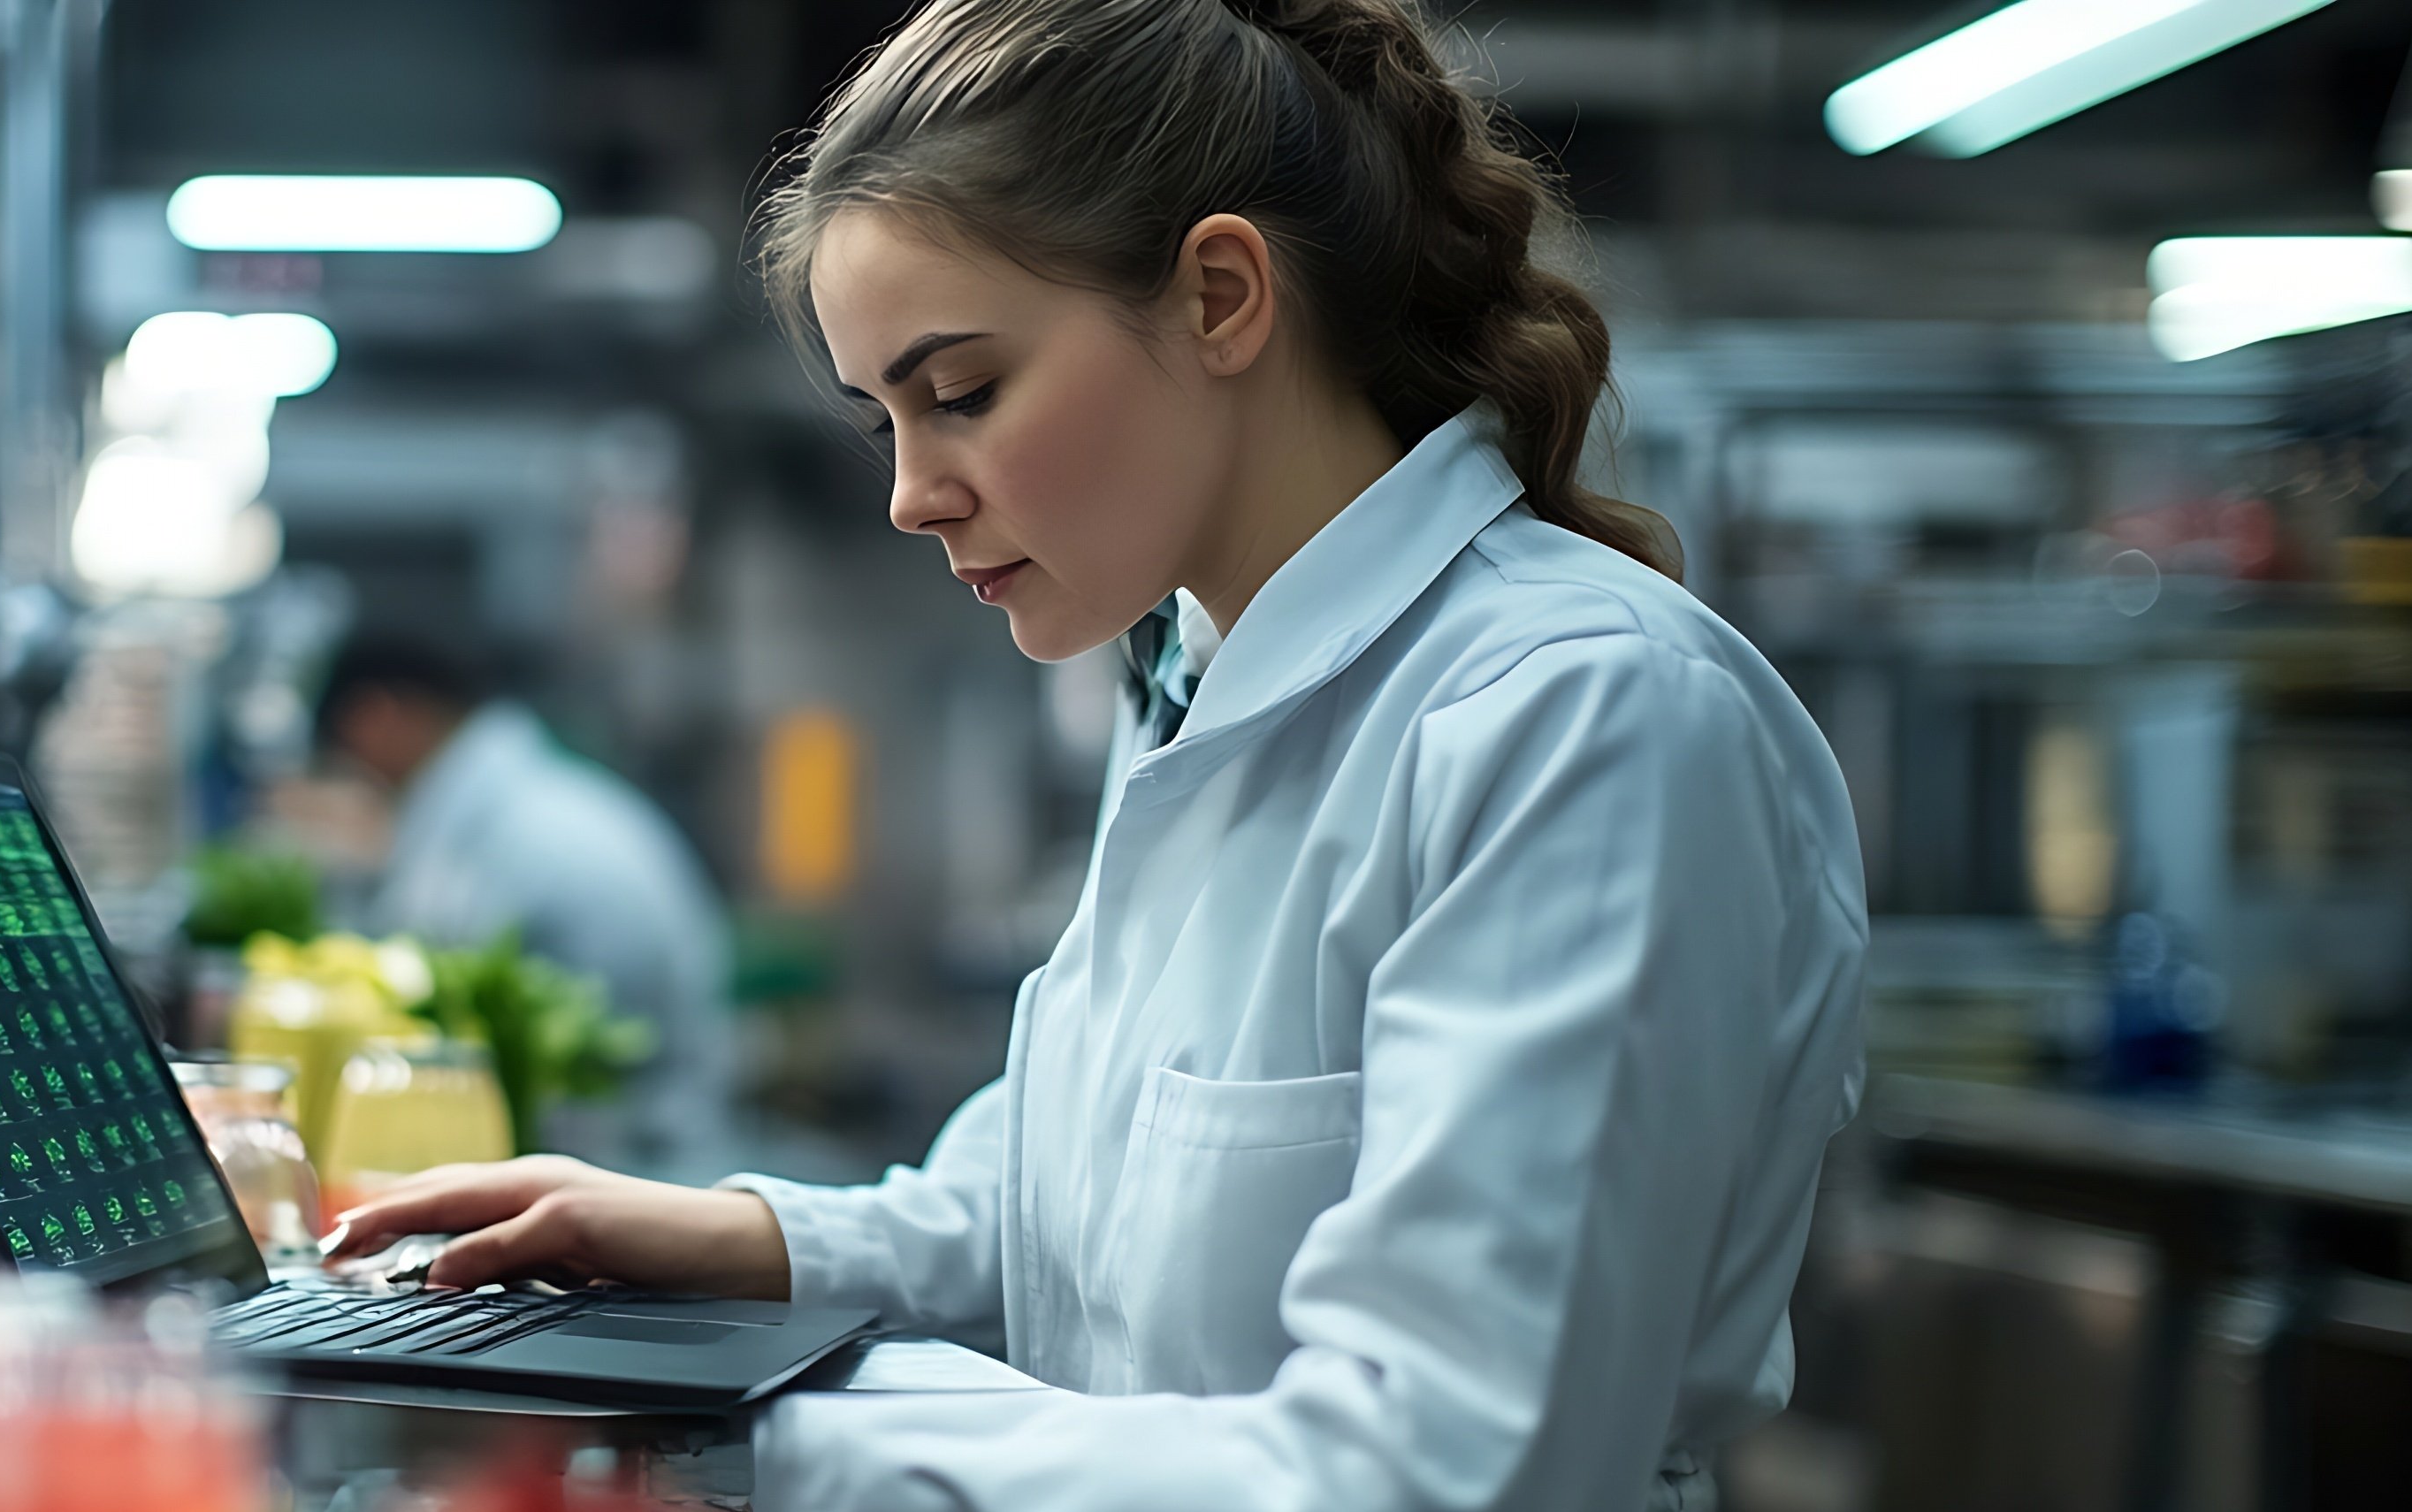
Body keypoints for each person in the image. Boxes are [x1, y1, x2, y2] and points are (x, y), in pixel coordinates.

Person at [323, 2, 1868, 1508]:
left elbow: (1433, 1464)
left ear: (1216, 297)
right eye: (887, 424)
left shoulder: (1576, 717)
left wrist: (711, 1437)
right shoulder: (1191, 689)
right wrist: (737, 1244)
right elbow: (1074, 1221)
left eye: (964, 394)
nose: (912, 495)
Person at [314, 635, 741, 1179]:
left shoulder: (536, 836)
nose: (361, 781)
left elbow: (589, 1088)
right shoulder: (521, 809)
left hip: (632, 1179)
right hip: (613, 1166)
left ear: (379, 716)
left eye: (347, 757)